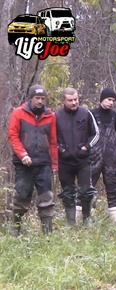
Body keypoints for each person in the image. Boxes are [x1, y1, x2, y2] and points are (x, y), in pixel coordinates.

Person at [7, 84, 58, 236]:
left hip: (43, 163)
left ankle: (48, 234)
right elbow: (13, 136)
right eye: (37, 98)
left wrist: (54, 164)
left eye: (43, 98)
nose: (40, 101)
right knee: (22, 197)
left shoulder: (50, 116)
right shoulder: (18, 113)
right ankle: (15, 229)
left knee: (46, 198)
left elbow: (53, 141)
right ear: (31, 98)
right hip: (23, 164)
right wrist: (23, 155)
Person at [55, 87, 100, 226]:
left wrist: (86, 147)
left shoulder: (86, 113)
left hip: (83, 160)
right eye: (70, 100)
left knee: (86, 191)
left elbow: (96, 133)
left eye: (76, 99)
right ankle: (71, 223)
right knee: (68, 193)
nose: (74, 103)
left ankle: (87, 219)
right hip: (65, 161)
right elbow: (51, 138)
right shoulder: (56, 116)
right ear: (63, 101)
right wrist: (61, 149)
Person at [88, 88, 116, 223]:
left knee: (114, 186)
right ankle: (83, 217)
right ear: (102, 99)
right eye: (109, 99)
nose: (111, 103)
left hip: (111, 159)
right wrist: (86, 151)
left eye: (113, 101)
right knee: (87, 186)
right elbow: (85, 135)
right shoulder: (91, 114)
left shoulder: (114, 116)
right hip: (93, 158)